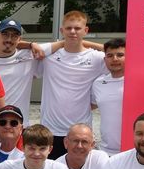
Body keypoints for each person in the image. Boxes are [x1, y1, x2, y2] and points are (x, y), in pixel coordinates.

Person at [40, 11, 105, 159]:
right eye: (68, 28)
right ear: (61, 30)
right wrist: (63, 43)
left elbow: (121, 53)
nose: (73, 31)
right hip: (51, 131)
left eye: (77, 28)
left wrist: (95, 102)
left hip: (81, 133)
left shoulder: (96, 58)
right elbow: (34, 48)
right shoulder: (49, 57)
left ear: (86, 30)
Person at [0, 19, 40, 127]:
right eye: (5, 34)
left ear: (19, 39)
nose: (9, 39)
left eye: (14, 36)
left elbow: (62, 45)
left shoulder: (29, 57)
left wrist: (32, 44)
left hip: (18, 126)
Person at [91, 38, 125, 155]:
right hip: (106, 150)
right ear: (105, 59)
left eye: (120, 55)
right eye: (110, 55)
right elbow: (91, 105)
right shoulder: (98, 83)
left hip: (133, 149)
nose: (115, 59)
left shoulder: (139, 81)